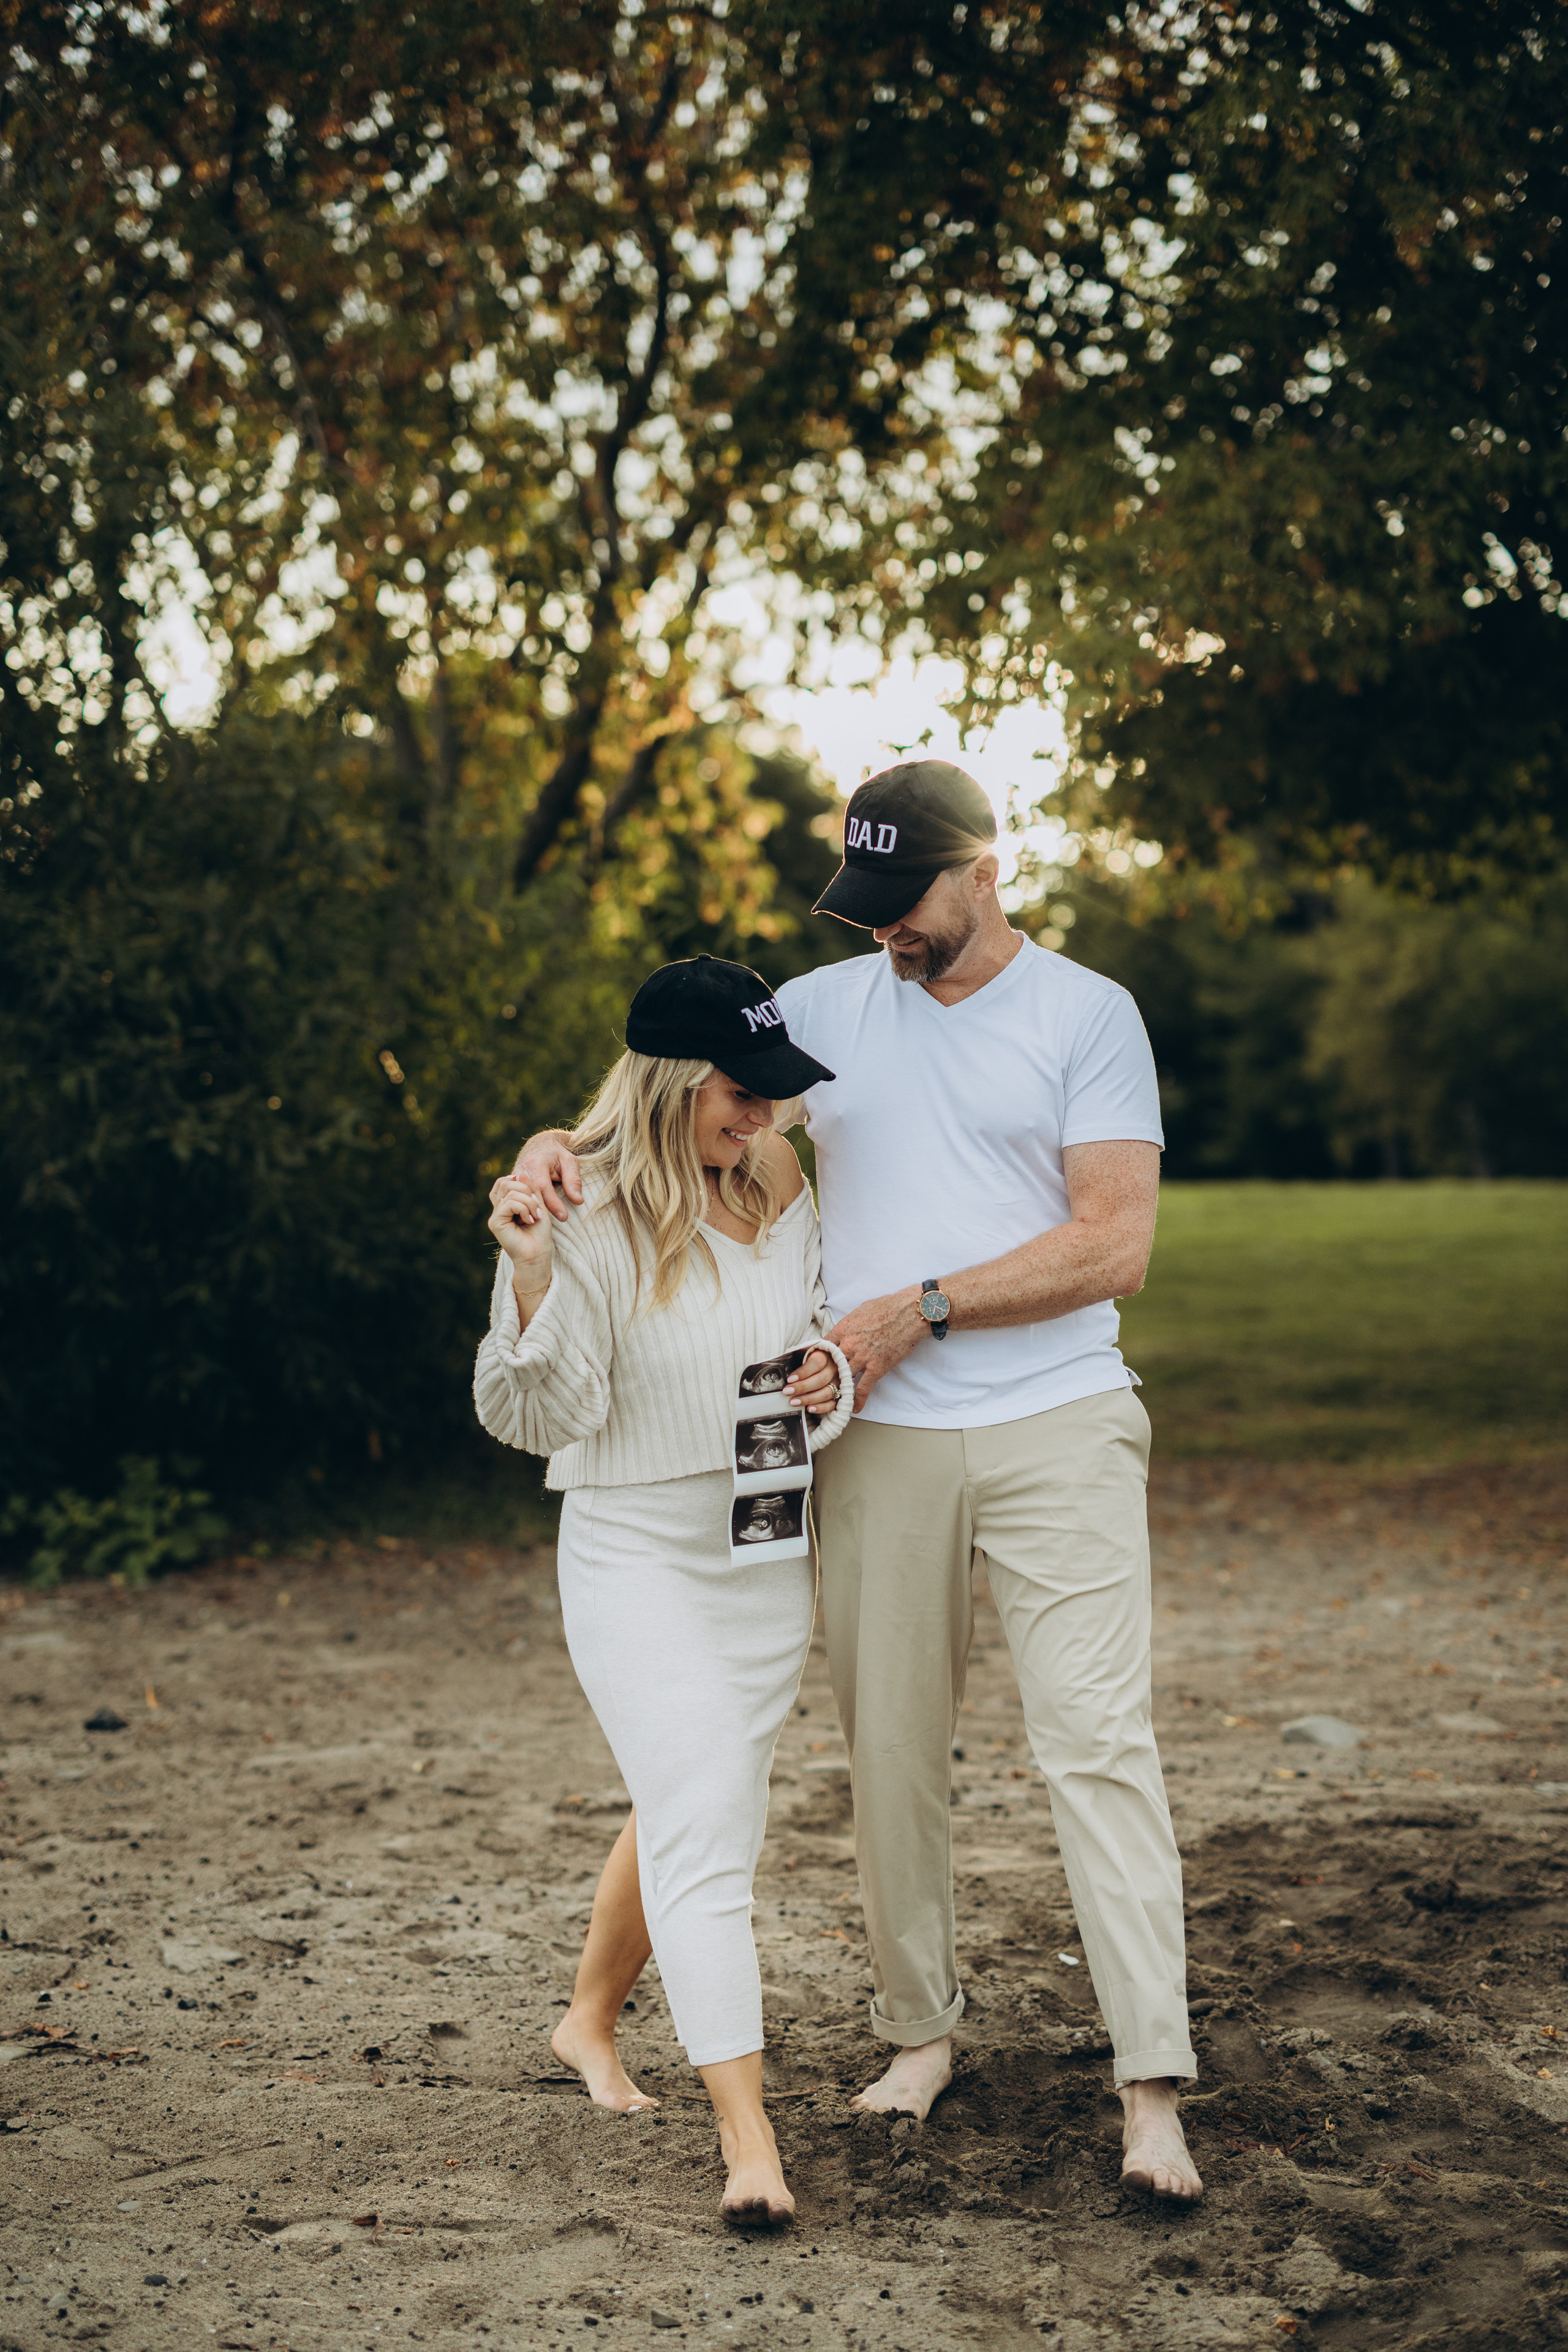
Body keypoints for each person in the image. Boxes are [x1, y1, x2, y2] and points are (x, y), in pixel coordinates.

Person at [513, 761, 1204, 2204]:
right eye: (865, 906)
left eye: (908, 904)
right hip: (872, 1446)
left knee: (1095, 1745)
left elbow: (1112, 1243)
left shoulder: (1089, 1015)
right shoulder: (823, 1011)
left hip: (1059, 1418)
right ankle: (917, 2035)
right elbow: (667, 1094)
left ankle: (1148, 2086)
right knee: (891, 1755)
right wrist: (545, 1154)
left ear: (984, 870)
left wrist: (916, 1310)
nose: (884, 931)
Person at [473, 956, 853, 2227]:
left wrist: (827, 1382)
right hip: (634, 1552)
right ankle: (748, 2141)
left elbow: (819, 1336)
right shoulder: (570, 1209)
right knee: (708, 1830)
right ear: (672, 1083)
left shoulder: (780, 1177)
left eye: (771, 1096)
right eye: (740, 1096)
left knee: (692, 1796)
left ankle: (586, 2022)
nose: (762, 1117)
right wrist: (529, 1276)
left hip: (760, 1547)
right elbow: (537, 1418)